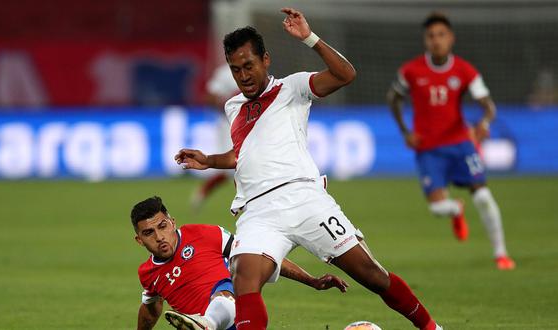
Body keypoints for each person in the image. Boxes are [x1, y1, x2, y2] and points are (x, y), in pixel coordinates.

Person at [175, 7, 442, 330]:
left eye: (248, 66)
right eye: (236, 70)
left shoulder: (294, 88)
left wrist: (310, 38)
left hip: (304, 198)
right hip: (258, 210)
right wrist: (209, 160)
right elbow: (243, 154)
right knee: (244, 277)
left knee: (372, 275)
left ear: (265, 60)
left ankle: (431, 327)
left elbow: (346, 75)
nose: (243, 76)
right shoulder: (234, 107)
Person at [386, 12, 515, 270]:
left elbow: (488, 105)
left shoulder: (465, 70)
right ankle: (456, 210)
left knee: (483, 196)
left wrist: (483, 124)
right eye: (431, 36)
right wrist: (405, 131)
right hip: (428, 149)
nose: (436, 40)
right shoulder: (411, 71)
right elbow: (393, 98)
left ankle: (501, 253)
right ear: (426, 40)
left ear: (451, 38)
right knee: (437, 209)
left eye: (441, 35)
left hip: (460, 143)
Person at [132, 196, 349, 330]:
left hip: (240, 321)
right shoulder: (148, 274)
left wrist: (312, 281)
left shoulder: (207, 234)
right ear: (139, 240)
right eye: (149, 233)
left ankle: (207, 323)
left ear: (172, 223)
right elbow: (151, 310)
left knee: (230, 282)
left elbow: (259, 255)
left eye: (163, 226)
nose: (160, 237)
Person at [191, 64, 240, 211]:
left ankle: (248, 201)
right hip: (229, 125)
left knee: (246, 164)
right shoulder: (225, 72)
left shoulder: (257, 67)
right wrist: (229, 104)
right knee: (230, 167)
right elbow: (210, 97)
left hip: (253, 124)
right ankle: (203, 192)